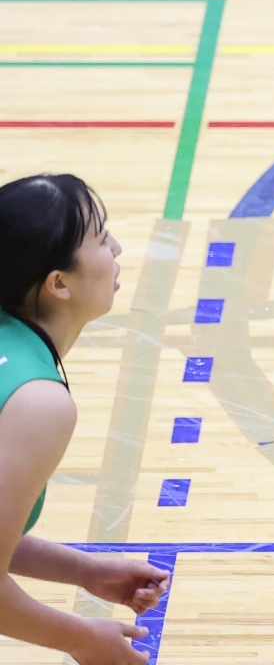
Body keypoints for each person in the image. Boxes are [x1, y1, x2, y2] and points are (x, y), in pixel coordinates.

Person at [0, 175, 172, 664]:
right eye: (100, 238)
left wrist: (84, 571)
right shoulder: (37, 402)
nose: (116, 248)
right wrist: (81, 639)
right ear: (59, 283)